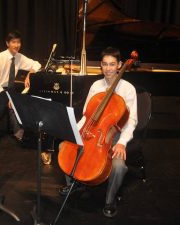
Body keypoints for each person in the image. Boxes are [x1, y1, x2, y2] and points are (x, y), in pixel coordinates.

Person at [59, 47, 137, 218]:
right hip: (92, 129)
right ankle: (75, 182)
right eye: (105, 64)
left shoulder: (128, 89)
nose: (108, 68)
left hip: (114, 134)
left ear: (119, 65)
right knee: (64, 146)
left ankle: (110, 200)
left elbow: (131, 121)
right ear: (101, 66)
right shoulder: (96, 86)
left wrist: (122, 142)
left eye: (112, 64)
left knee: (118, 166)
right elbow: (87, 115)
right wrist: (77, 131)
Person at [0, 30, 41, 143]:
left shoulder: (19, 57)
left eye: (19, 42)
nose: (17, 45)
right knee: (12, 103)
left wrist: (30, 73)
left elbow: (37, 64)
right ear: (7, 43)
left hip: (11, 88)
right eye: (13, 42)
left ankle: (22, 132)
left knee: (22, 102)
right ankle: (17, 133)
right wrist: (7, 97)